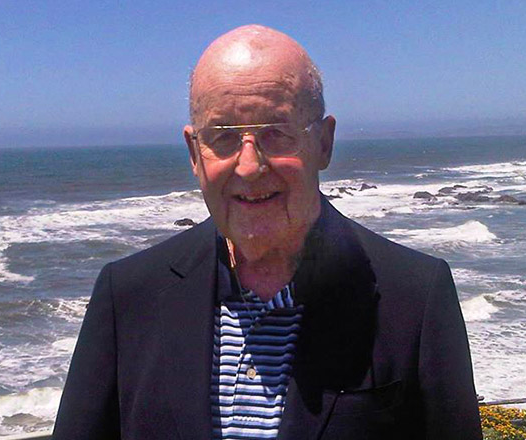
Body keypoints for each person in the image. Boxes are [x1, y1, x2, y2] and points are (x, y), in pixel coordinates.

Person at [53, 24, 482, 439]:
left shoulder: (415, 298)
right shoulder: (127, 295)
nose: (249, 165)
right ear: (194, 153)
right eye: (222, 137)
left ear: (325, 143)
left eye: (276, 134)